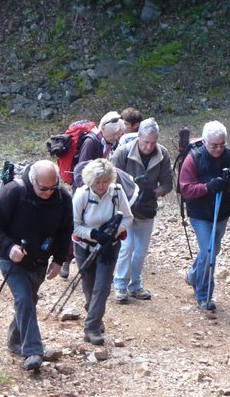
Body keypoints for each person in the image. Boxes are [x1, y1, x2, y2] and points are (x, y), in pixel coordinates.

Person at [0, 159, 73, 371]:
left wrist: (59, 260)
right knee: (23, 298)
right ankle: (33, 350)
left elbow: (65, 230)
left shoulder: (62, 197)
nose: (49, 192)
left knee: (29, 300)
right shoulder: (14, 192)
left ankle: (15, 341)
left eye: (53, 187)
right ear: (33, 181)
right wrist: (8, 246)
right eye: (43, 188)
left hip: (39, 260)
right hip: (10, 258)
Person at [178, 121, 230, 317]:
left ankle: (193, 276)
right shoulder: (194, 158)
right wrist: (208, 187)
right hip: (200, 214)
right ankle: (204, 296)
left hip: (222, 213)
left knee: (212, 250)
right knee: (209, 251)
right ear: (205, 142)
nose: (218, 149)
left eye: (222, 144)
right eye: (214, 145)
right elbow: (185, 188)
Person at [110, 118, 173, 302]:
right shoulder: (123, 152)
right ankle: (120, 285)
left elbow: (168, 183)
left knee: (141, 250)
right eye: (146, 142)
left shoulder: (162, 154)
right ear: (139, 137)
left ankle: (135, 285)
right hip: (124, 209)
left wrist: (153, 193)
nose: (149, 146)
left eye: (153, 142)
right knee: (127, 247)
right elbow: (111, 178)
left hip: (146, 209)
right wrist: (131, 189)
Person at [72, 158, 133, 345]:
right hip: (84, 246)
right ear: (90, 181)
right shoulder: (82, 195)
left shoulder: (117, 192)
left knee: (103, 287)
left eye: (105, 181)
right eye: (98, 182)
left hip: (110, 247)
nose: (102, 185)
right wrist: (94, 234)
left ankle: (91, 328)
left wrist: (113, 232)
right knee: (89, 285)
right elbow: (73, 225)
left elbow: (128, 218)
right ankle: (94, 313)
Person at [62, 110, 125, 278]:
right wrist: (87, 193)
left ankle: (88, 261)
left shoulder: (108, 142)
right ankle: (66, 260)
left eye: (118, 134)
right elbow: (81, 170)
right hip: (84, 190)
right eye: (113, 135)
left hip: (98, 189)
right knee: (78, 224)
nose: (116, 138)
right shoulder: (91, 143)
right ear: (103, 130)